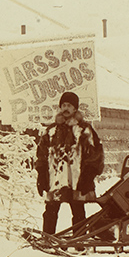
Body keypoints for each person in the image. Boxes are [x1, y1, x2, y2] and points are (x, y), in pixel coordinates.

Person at [34, 91, 104, 235]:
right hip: (56, 179)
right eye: (63, 105)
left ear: (75, 109)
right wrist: (41, 175)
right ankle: (48, 238)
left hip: (77, 180)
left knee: (78, 212)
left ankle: (79, 242)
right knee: (50, 211)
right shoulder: (51, 131)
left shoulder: (84, 130)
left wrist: (88, 176)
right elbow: (41, 154)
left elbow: (96, 154)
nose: (65, 108)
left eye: (69, 105)